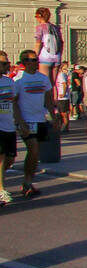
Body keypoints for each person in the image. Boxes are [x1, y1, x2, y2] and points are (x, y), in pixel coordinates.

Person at [12, 51, 56, 199]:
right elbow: (14, 103)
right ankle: (27, 182)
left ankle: (28, 182)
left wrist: (53, 116)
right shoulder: (18, 80)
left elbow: (49, 99)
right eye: (32, 60)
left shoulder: (43, 78)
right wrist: (20, 121)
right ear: (24, 61)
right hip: (27, 120)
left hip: (40, 119)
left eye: (36, 59)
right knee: (33, 149)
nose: (36, 62)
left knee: (35, 154)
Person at [0, 52, 19, 204]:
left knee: (10, 159)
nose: (7, 66)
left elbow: (14, 103)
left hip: (9, 125)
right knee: (1, 158)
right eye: (3, 63)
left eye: (7, 63)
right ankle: (1, 190)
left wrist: (20, 123)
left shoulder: (9, 82)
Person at [34, 7, 62, 81]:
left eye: (36, 17)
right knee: (54, 85)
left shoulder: (40, 27)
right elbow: (61, 42)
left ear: (39, 16)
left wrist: (35, 56)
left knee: (45, 83)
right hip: (57, 57)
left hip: (45, 57)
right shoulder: (55, 28)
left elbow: (38, 43)